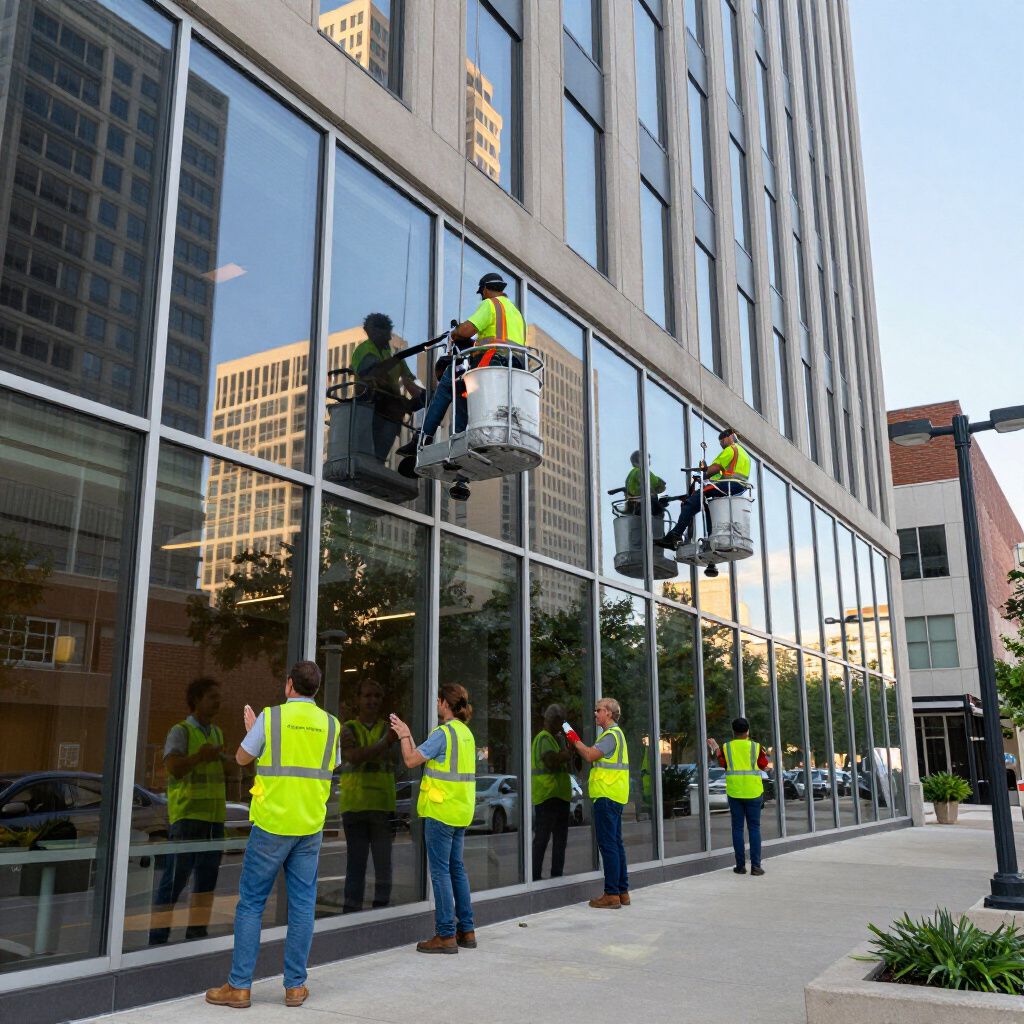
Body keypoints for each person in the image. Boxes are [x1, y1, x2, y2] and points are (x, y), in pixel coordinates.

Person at [205, 661, 340, 1010]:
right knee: (302, 906)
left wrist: (254, 731)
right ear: (315, 690)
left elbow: (241, 757)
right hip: (309, 825)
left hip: (271, 824)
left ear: (289, 685)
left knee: (251, 903)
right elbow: (329, 766)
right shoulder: (331, 724)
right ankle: (295, 987)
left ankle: (239, 987)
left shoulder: (270, 717)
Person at [389, 684, 476, 954]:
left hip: (440, 811)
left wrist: (404, 735)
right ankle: (467, 930)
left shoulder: (443, 733)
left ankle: (446, 935)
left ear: (444, 703)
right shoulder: (465, 734)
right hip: (460, 811)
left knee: (440, 874)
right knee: (456, 870)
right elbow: (424, 756)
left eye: (438, 700)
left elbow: (411, 760)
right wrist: (410, 737)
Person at [396, 272, 525, 454]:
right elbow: (501, 339)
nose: (482, 296)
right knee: (462, 392)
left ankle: (423, 438)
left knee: (448, 384)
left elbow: (465, 330)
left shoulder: (490, 304)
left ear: (485, 289)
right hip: (511, 370)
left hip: (491, 364)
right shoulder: (516, 313)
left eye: (482, 293)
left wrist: (454, 334)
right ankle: (461, 447)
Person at [150, 677, 230, 945]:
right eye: (212, 697)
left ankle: (197, 935)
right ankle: (158, 937)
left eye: (218, 697)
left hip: (213, 820)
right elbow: (173, 767)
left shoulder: (216, 733)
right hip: (187, 818)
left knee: (206, 885)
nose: (217, 701)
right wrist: (199, 757)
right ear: (196, 700)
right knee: (174, 881)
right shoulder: (181, 731)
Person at [655, 426, 751, 578]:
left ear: (728, 437)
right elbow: (722, 474)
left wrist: (703, 472)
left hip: (729, 485)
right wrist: (707, 477)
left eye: (722, 442)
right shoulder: (744, 454)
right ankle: (711, 534)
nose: (721, 445)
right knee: (706, 502)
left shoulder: (731, 449)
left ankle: (675, 535)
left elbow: (713, 470)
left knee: (692, 500)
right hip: (736, 486)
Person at [564, 697, 630, 909]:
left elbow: (590, 755)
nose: (595, 713)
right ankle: (622, 892)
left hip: (606, 796)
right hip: (615, 795)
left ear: (609, 713)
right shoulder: (614, 735)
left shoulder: (611, 736)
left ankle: (612, 894)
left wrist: (572, 737)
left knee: (608, 845)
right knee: (616, 844)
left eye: (598, 710)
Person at [339, 679, 398, 913]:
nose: (372, 700)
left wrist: (378, 749)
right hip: (355, 806)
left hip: (383, 806)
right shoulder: (349, 728)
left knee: (384, 866)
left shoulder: (388, 728)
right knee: (356, 865)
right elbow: (353, 756)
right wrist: (384, 744)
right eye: (367, 696)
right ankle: (351, 912)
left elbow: (396, 759)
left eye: (377, 696)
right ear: (357, 699)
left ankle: (381, 912)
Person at [351, 312, 425, 460]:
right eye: (386, 333)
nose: (390, 338)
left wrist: (426, 396)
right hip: (371, 411)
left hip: (391, 413)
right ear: (373, 331)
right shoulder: (364, 350)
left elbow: (410, 384)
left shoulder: (393, 357)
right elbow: (373, 375)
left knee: (380, 455)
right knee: (368, 455)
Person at [708, 717, 769, 877]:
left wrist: (716, 749)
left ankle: (740, 866)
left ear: (733, 731)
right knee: (754, 828)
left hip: (735, 792)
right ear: (747, 730)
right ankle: (756, 866)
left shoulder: (726, 747)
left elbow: (723, 763)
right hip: (754, 792)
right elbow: (763, 765)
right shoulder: (756, 747)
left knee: (737, 828)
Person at [531, 703, 574, 880]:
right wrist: (568, 753)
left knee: (560, 841)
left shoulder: (558, 739)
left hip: (560, 796)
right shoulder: (543, 738)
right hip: (547, 796)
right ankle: (534, 877)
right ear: (551, 720)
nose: (561, 725)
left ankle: (557, 875)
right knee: (542, 839)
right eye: (559, 721)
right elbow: (551, 760)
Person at [624, 450, 666, 517]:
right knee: (658, 510)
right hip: (643, 499)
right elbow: (650, 482)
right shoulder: (641, 471)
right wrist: (660, 483)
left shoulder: (632, 472)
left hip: (635, 500)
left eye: (648, 458)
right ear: (635, 462)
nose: (648, 461)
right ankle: (658, 513)